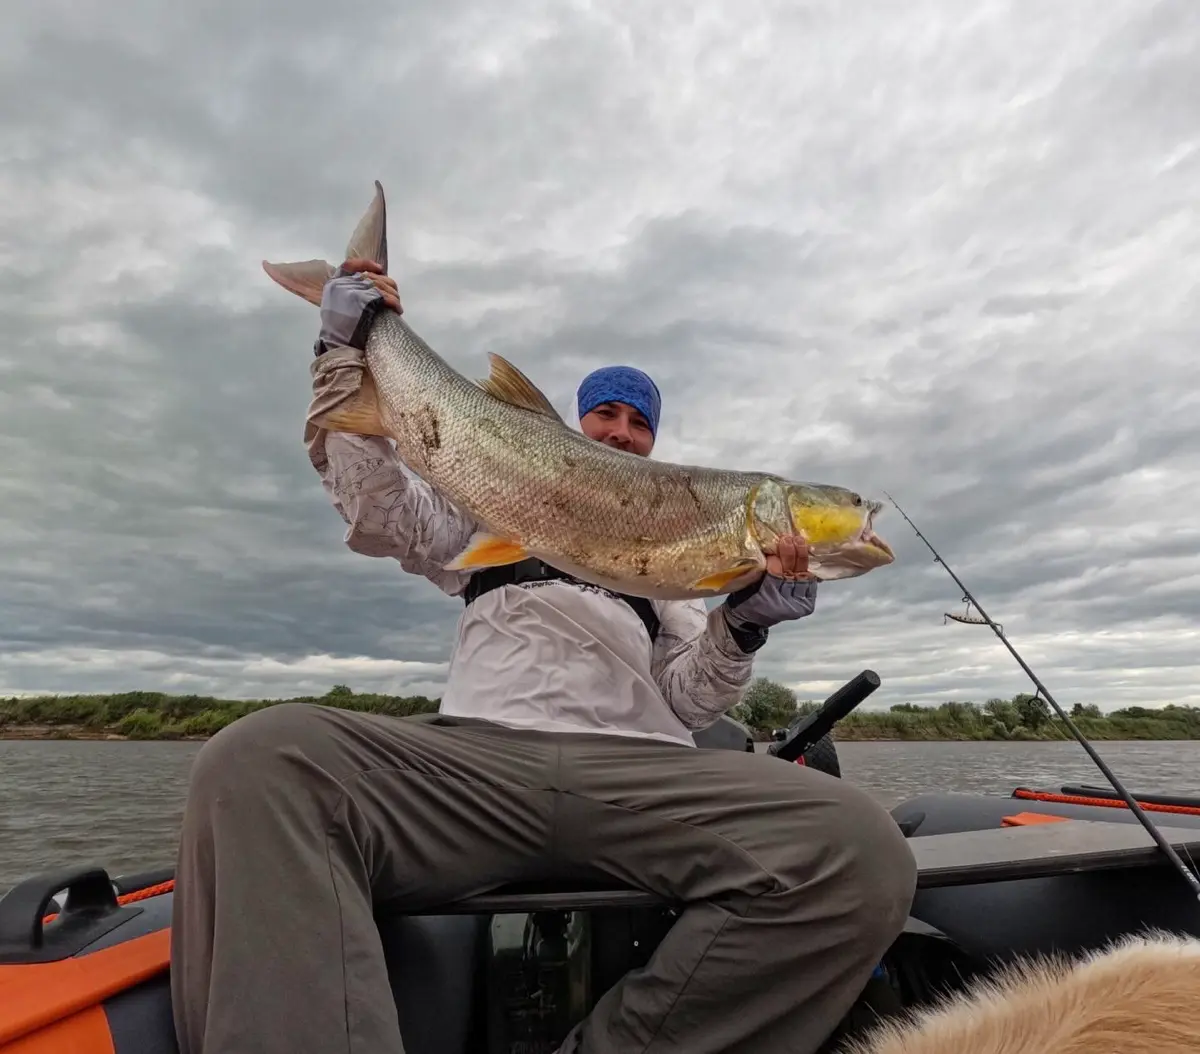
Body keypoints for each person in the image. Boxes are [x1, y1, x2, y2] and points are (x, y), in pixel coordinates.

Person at [169, 260, 917, 1054]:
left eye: (639, 424)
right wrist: (342, 350)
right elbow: (376, 510)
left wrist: (743, 625)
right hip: (475, 769)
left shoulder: (675, 565)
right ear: (578, 422)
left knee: (861, 848)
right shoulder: (485, 515)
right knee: (257, 759)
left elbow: (692, 702)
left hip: (632, 777)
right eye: (607, 415)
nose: (622, 431)